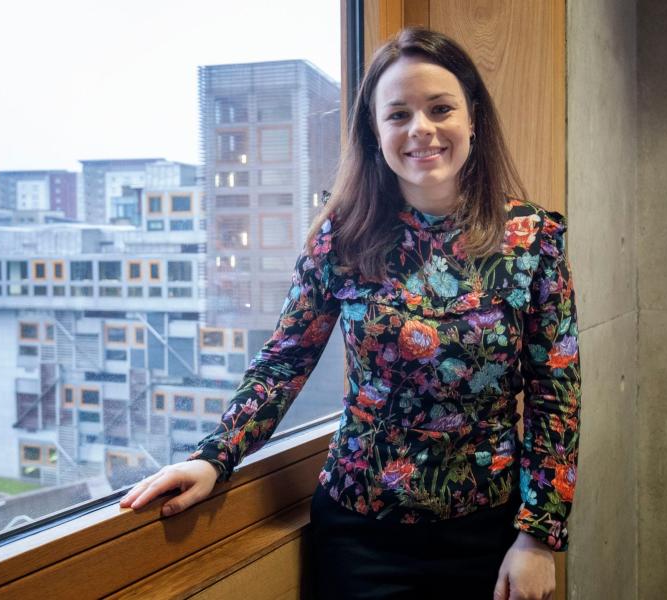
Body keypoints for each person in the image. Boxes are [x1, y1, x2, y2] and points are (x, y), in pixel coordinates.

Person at [121, 27, 580, 600]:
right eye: (398, 115)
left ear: (473, 120)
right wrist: (216, 455)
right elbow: (284, 359)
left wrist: (538, 539)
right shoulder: (343, 236)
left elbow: (553, 396)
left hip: (487, 533)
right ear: (374, 132)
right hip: (360, 530)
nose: (421, 130)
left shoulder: (533, 241)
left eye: (441, 109)